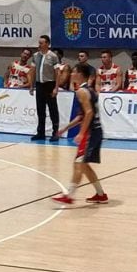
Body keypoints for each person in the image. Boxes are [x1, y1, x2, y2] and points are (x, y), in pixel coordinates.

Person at [52, 64, 108, 205]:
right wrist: (65, 129)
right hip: (96, 131)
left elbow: (88, 113)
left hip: (91, 132)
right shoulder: (90, 90)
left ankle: (69, 195)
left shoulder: (81, 91)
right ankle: (101, 195)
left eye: (74, 72)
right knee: (84, 165)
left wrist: (81, 133)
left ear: (80, 74)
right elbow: (81, 116)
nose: (71, 74)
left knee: (79, 164)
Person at [29, 35, 60, 142]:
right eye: (39, 43)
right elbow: (32, 71)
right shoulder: (35, 55)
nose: (39, 45)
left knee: (52, 110)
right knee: (40, 110)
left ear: (47, 44)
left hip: (49, 84)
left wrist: (56, 87)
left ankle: (55, 133)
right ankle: (40, 132)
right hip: (39, 85)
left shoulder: (53, 56)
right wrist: (31, 85)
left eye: (42, 43)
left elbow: (57, 73)